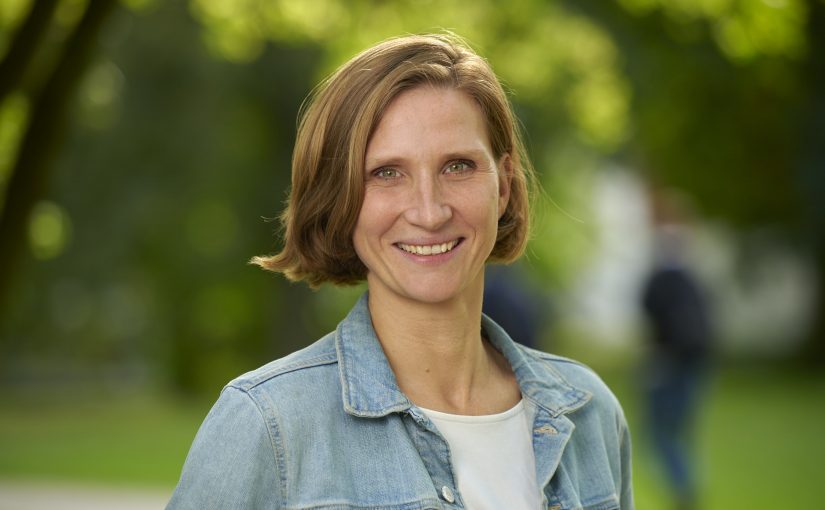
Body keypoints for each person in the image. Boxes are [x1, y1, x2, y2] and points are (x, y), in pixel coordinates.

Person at [168, 33, 633, 510]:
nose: (429, 212)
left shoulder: (589, 413)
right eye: (386, 173)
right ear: (341, 198)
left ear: (505, 186)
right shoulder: (269, 425)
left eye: (458, 166)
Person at [640, 187, 713, 510]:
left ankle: (685, 493)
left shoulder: (665, 269)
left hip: (671, 358)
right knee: (679, 431)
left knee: (660, 433)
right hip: (696, 357)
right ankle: (686, 487)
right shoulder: (689, 267)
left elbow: (649, 305)